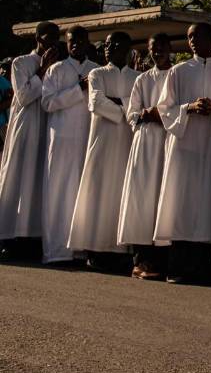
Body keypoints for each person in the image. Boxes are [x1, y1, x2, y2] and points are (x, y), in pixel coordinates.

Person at [154, 22, 211, 283]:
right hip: (184, 146)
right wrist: (188, 107)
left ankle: (210, 270)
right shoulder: (178, 71)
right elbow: (164, 108)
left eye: (196, 36)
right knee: (182, 202)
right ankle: (180, 266)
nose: (192, 41)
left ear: (209, 37)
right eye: (188, 37)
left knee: (210, 201)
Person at [67, 31, 138, 268]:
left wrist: (120, 102)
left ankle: (121, 249)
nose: (108, 48)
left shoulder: (138, 77)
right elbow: (95, 102)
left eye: (114, 44)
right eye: (106, 44)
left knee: (121, 190)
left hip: (127, 142)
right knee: (97, 189)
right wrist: (124, 105)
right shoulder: (96, 73)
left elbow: (138, 106)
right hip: (101, 140)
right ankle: (95, 249)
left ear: (127, 49)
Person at [40, 25, 99, 264]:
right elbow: (47, 103)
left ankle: (81, 248)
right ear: (66, 43)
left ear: (87, 42)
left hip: (88, 138)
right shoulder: (56, 69)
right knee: (59, 193)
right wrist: (77, 89)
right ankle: (57, 250)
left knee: (83, 193)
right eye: (71, 41)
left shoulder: (96, 70)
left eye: (80, 40)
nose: (76, 45)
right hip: (62, 140)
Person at [0, 22, 59, 256]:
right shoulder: (21, 62)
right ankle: (10, 235)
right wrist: (42, 69)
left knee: (39, 181)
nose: (50, 43)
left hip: (46, 125)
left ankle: (34, 236)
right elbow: (23, 96)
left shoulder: (59, 66)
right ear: (37, 38)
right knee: (19, 176)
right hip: (25, 126)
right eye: (46, 38)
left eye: (55, 39)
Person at [117, 33, 172, 279]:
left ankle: (162, 259)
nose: (157, 52)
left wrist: (160, 114)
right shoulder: (142, 79)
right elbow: (132, 114)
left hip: (168, 140)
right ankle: (141, 259)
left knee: (163, 197)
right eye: (153, 48)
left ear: (169, 49)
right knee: (142, 198)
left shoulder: (176, 75)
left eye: (161, 47)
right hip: (145, 141)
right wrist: (147, 115)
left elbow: (174, 107)